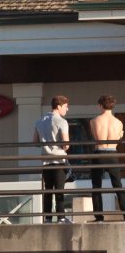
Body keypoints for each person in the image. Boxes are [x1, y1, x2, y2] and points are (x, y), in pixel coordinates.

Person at [35, 95, 72, 223]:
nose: (67, 110)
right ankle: (61, 217)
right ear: (59, 106)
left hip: (45, 160)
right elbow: (66, 145)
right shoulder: (62, 121)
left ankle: (47, 217)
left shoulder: (40, 121)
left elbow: (35, 141)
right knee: (59, 190)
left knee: (48, 190)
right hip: (59, 159)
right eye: (66, 107)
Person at [89, 95, 122, 222]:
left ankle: (99, 217)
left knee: (96, 186)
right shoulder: (118, 122)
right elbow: (117, 140)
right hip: (112, 154)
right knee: (118, 185)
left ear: (100, 106)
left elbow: (95, 136)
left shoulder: (94, 121)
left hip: (99, 153)